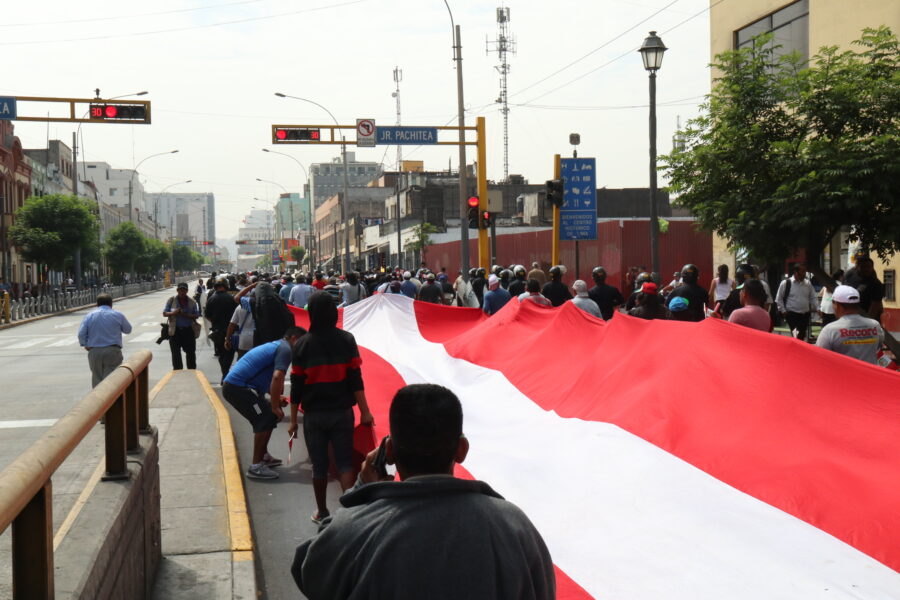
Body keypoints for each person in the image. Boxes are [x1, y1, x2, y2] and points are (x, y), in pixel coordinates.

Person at [290, 384, 556, 600]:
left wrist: (361, 490)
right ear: (461, 450)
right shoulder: (515, 527)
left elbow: (309, 571)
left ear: (390, 452)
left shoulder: (355, 527)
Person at [290, 291, 375, 523]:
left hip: (314, 416)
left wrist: (291, 422)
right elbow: (356, 380)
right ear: (332, 312)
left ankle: (322, 512)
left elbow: (296, 388)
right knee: (345, 462)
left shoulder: (301, 345)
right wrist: (365, 412)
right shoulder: (347, 340)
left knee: (319, 466)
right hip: (342, 413)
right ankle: (348, 514)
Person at [223, 326, 305, 479]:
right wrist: (274, 406)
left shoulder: (278, 346)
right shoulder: (286, 350)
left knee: (269, 416)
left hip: (241, 388)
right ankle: (256, 466)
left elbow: (265, 377)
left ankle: (264, 456)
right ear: (294, 338)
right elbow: (277, 377)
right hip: (237, 389)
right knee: (265, 418)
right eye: (303, 342)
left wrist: (275, 398)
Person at [816, 285, 885, 364]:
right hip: (870, 375)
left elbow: (820, 357)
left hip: (842, 375)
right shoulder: (875, 325)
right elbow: (878, 347)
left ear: (837, 305)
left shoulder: (829, 330)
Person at [78, 294, 132, 387]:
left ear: (97, 304)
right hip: (112, 351)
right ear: (111, 304)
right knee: (112, 380)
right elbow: (128, 330)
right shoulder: (117, 315)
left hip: (94, 351)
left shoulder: (89, 315)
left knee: (97, 379)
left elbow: (81, 334)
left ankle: (98, 400)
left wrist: (86, 345)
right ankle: (113, 401)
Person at [235, 281, 295, 347]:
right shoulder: (279, 301)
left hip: (261, 338)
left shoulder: (254, 302)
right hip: (279, 338)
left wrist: (252, 285)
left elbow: (236, 298)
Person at [205, 277, 238, 382]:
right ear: (226, 286)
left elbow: (207, 315)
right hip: (230, 331)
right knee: (229, 353)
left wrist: (215, 321)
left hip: (217, 331)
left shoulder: (211, 299)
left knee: (221, 354)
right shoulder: (231, 298)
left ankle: (225, 373)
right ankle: (226, 374)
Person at [775, 263, 819, 340]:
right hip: (792, 315)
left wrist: (818, 308)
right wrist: (783, 311)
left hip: (805, 315)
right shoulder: (786, 283)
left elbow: (813, 297)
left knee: (801, 334)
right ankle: (796, 349)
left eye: (805, 271)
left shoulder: (807, 283)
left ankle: (797, 349)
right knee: (796, 334)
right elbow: (779, 299)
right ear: (796, 272)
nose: (804, 274)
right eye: (802, 271)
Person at [163, 282, 200, 370]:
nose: (182, 292)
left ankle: (191, 372)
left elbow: (196, 315)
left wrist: (185, 314)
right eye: (180, 290)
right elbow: (165, 313)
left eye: (184, 290)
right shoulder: (171, 300)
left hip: (188, 331)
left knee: (191, 354)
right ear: (177, 291)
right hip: (175, 331)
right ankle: (177, 373)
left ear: (187, 291)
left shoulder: (192, 302)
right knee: (176, 355)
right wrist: (174, 313)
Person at [843, 256, 884, 323]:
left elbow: (874, 307)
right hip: (849, 315)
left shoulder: (875, 284)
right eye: (863, 267)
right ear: (857, 267)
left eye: (869, 267)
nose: (866, 269)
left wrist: (867, 323)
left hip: (867, 316)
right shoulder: (849, 275)